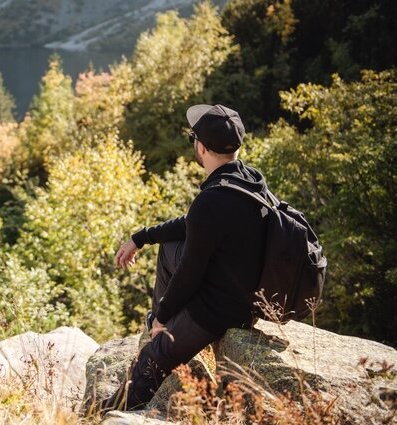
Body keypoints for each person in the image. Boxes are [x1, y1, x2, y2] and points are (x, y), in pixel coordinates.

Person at [94, 104, 270, 412]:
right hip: (240, 288)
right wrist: (141, 237)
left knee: (152, 360)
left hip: (220, 308)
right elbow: (192, 224)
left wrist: (162, 316)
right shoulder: (251, 181)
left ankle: (110, 412)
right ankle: (160, 327)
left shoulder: (212, 199)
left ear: (201, 148)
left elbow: (190, 273)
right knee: (169, 247)